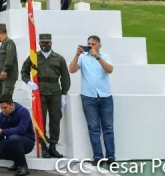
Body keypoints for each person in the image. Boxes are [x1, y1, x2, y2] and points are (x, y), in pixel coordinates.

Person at [20, 33, 70, 158]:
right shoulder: (34, 57)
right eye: (42, 43)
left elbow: (65, 78)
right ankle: (43, 146)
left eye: (47, 43)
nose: (45, 45)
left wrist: (64, 94)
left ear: (51, 43)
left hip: (55, 92)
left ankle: (52, 146)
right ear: (39, 43)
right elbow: (24, 71)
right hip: (40, 91)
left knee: (55, 120)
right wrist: (29, 82)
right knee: (41, 120)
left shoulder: (59, 58)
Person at [69, 35, 115, 166]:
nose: (90, 46)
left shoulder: (105, 56)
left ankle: (111, 156)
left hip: (105, 96)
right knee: (94, 128)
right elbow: (71, 70)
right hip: (88, 97)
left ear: (99, 45)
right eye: (88, 44)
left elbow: (110, 70)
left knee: (108, 128)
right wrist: (76, 55)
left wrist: (98, 57)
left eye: (93, 44)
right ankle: (98, 156)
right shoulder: (83, 57)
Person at [0, 95, 36, 176]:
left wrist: (3, 131)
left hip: (27, 141)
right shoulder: (1, 116)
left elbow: (21, 129)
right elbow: (1, 137)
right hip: (11, 141)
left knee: (14, 138)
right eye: (1, 108)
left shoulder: (23, 111)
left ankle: (23, 166)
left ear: (12, 105)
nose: (3, 110)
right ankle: (17, 161)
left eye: (5, 108)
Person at [0, 24, 17, 100]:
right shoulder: (3, 44)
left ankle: (13, 111)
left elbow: (10, 58)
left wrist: (5, 70)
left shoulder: (9, 43)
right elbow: (4, 59)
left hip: (8, 76)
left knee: (6, 98)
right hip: (2, 76)